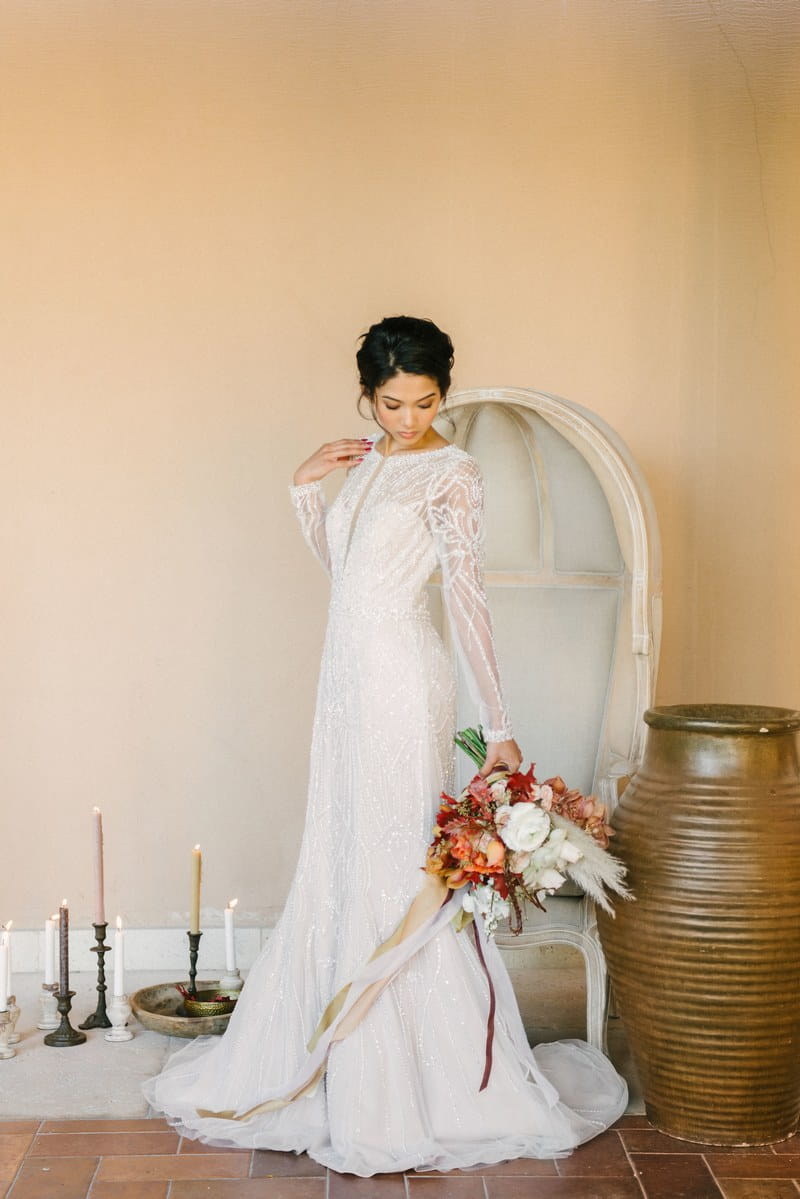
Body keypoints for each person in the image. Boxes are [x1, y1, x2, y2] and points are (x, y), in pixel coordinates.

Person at [143, 315, 627, 1175]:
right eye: (391, 402)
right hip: (345, 685)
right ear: (366, 396)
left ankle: (405, 1078)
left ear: (446, 392)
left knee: (395, 857)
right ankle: (331, 1053)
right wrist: (304, 487)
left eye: (426, 401)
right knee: (342, 852)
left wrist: (501, 721)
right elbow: (349, 572)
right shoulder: (366, 462)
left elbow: (469, 599)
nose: (407, 418)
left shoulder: (455, 470)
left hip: (405, 681)